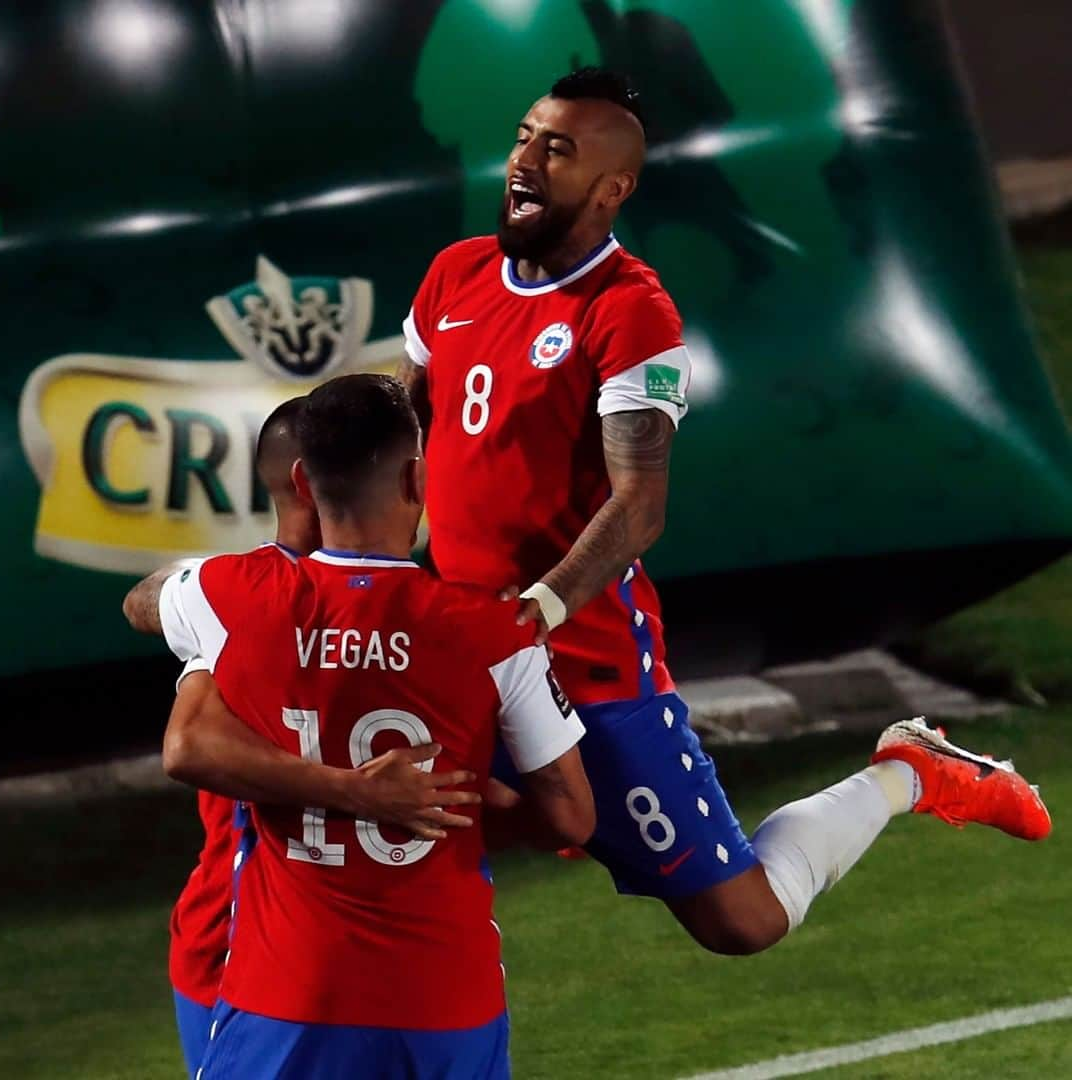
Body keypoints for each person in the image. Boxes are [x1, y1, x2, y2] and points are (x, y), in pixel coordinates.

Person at [395, 66, 1051, 957]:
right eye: (523, 137)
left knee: (740, 921)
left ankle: (910, 772)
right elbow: (400, 442)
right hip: (463, 658)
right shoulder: (455, 275)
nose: (525, 161)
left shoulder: (631, 312)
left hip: (587, 672)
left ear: (613, 187)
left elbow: (638, 507)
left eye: (559, 150)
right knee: (394, 856)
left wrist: (535, 612)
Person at [126, 374, 594, 1079]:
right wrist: (456, 800)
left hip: (286, 990)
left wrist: (196, 612)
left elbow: (145, 604)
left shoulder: (232, 598)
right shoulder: (496, 632)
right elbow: (570, 819)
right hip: (444, 995)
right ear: (416, 477)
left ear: (303, 483)